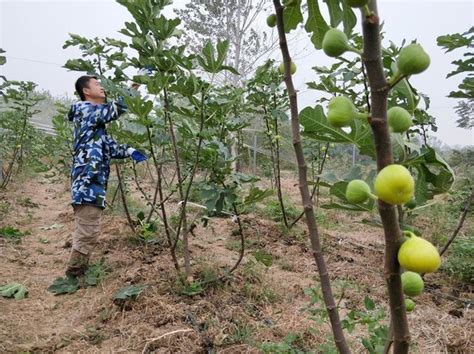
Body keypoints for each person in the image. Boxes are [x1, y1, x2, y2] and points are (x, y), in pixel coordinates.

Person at [65, 75, 147, 278]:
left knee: (88, 228)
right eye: (97, 85)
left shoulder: (95, 126)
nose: (102, 87)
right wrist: (135, 85)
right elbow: (115, 109)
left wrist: (129, 151)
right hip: (87, 182)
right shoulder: (85, 110)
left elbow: (109, 147)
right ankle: (75, 273)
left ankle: (78, 269)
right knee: (88, 230)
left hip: (93, 183)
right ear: (86, 91)